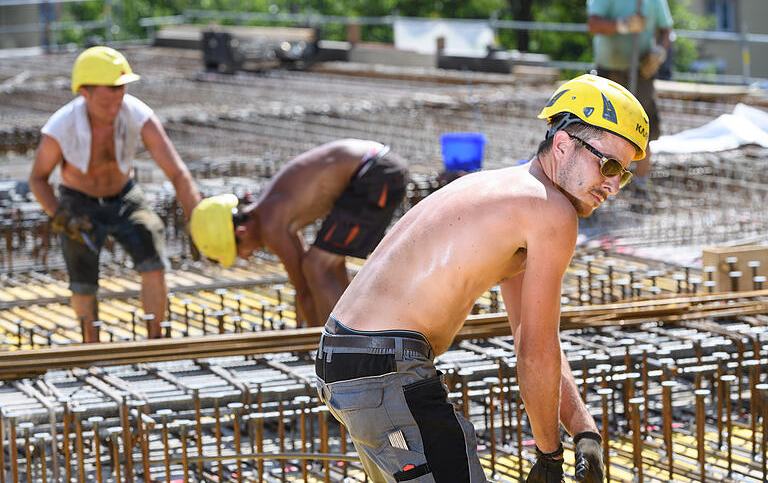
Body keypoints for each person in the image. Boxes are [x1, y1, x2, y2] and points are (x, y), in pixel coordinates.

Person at [314, 74, 650, 483]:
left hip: (352, 363)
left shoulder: (509, 193)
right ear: (563, 146)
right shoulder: (550, 212)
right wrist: (549, 456)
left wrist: (583, 430)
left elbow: (533, 337)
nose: (614, 184)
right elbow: (535, 353)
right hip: (385, 372)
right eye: (609, 165)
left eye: (625, 174)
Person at [29, 46, 201, 342]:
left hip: (124, 196)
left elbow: (177, 172)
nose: (115, 107)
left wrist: (199, 220)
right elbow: (37, 178)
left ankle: (155, 339)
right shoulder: (61, 126)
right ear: (84, 92)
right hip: (77, 201)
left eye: (120, 95)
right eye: (107, 101)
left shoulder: (137, 113)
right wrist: (60, 216)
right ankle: (91, 346)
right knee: (83, 279)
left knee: (151, 247)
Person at [190, 139, 408, 327]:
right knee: (327, 262)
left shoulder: (270, 225)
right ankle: (353, 333)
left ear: (241, 231)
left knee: (317, 266)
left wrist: (309, 344)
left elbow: (303, 289)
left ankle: (342, 344)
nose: (246, 257)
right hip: (376, 169)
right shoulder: (271, 211)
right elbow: (303, 285)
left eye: (239, 252)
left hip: (375, 174)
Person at [587, 0, 672, 191]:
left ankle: (642, 184)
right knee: (605, 128)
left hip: (642, 70)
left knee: (644, 129)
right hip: (611, 70)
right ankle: (600, 183)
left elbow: (666, 30)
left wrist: (659, 52)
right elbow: (594, 24)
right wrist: (622, 25)